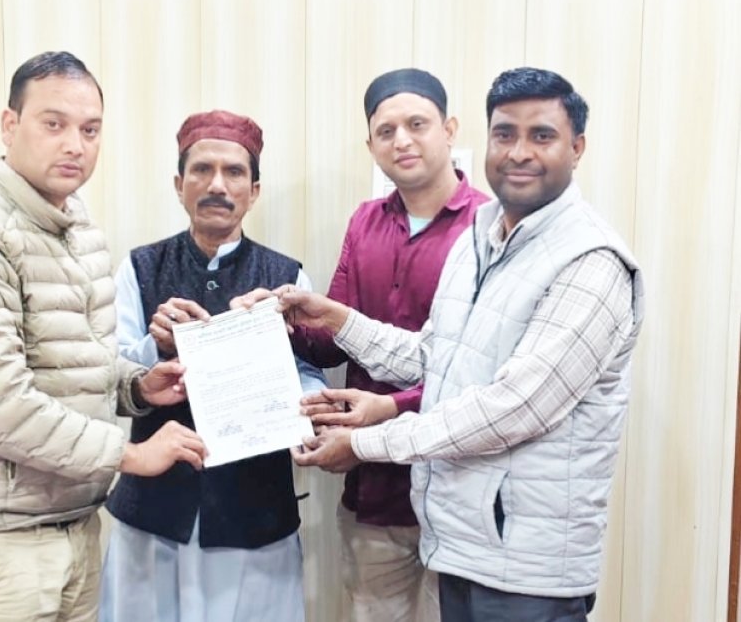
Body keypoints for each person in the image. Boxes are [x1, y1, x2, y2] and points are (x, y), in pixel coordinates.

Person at [237, 67, 645, 622]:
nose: (519, 152)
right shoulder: (482, 238)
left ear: (576, 148)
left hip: (527, 564)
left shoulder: (591, 262)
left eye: (542, 135)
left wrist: (366, 441)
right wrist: (334, 317)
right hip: (460, 541)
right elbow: (434, 357)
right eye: (505, 134)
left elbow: (512, 409)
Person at [0, 51, 207, 622]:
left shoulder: (79, 228)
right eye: (54, 124)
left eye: (90, 130)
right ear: (9, 125)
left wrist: (138, 387)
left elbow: (74, 363)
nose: (75, 145)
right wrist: (130, 455)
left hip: (74, 528)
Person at [99, 110, 326, 622]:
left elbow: (308, 373)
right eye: (201, 170)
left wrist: (301, 409)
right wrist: (155, 349)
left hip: (253, 511)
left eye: (234, 172)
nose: (217, 185)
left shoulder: (287, 276)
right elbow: (106, 374)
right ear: (179, 184)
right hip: (155, 511)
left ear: (254, 190)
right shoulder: (138, 268)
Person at [290, 68, 488, 622]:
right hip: (372, 488)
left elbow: (480, 374)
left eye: (417, 124)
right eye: (386, 130)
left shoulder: (489, 228)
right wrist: (275, 321)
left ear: (449, 129)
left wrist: (390, 409)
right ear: (371, 145)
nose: (402, 140)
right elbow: (331, 345)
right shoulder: (365, 222)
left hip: (457, 487)